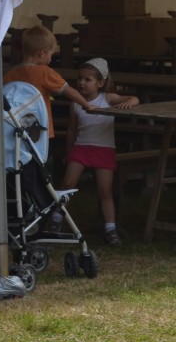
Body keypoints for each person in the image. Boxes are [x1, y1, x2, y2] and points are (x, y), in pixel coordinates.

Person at [57, 58, 138, 245]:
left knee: (105, 190)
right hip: (81, 147)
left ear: (100, 83)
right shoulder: (75, 103)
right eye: (80, 78)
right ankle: (56, 220)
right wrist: (69, 152)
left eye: (88, 79)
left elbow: (134, 98)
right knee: (67, 184)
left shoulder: (107, 98)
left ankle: (110, 228)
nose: (82, 82)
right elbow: (72, 129)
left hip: (104, 149)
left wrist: (129, 102)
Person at [3, 25, 93, 140]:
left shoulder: (10, 73)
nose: (51, 58)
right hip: (39, 130)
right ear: (42, 53)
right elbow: (68, 91)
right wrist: (87, 105)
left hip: (13, 129)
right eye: (51, 54)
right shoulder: (45, 72)